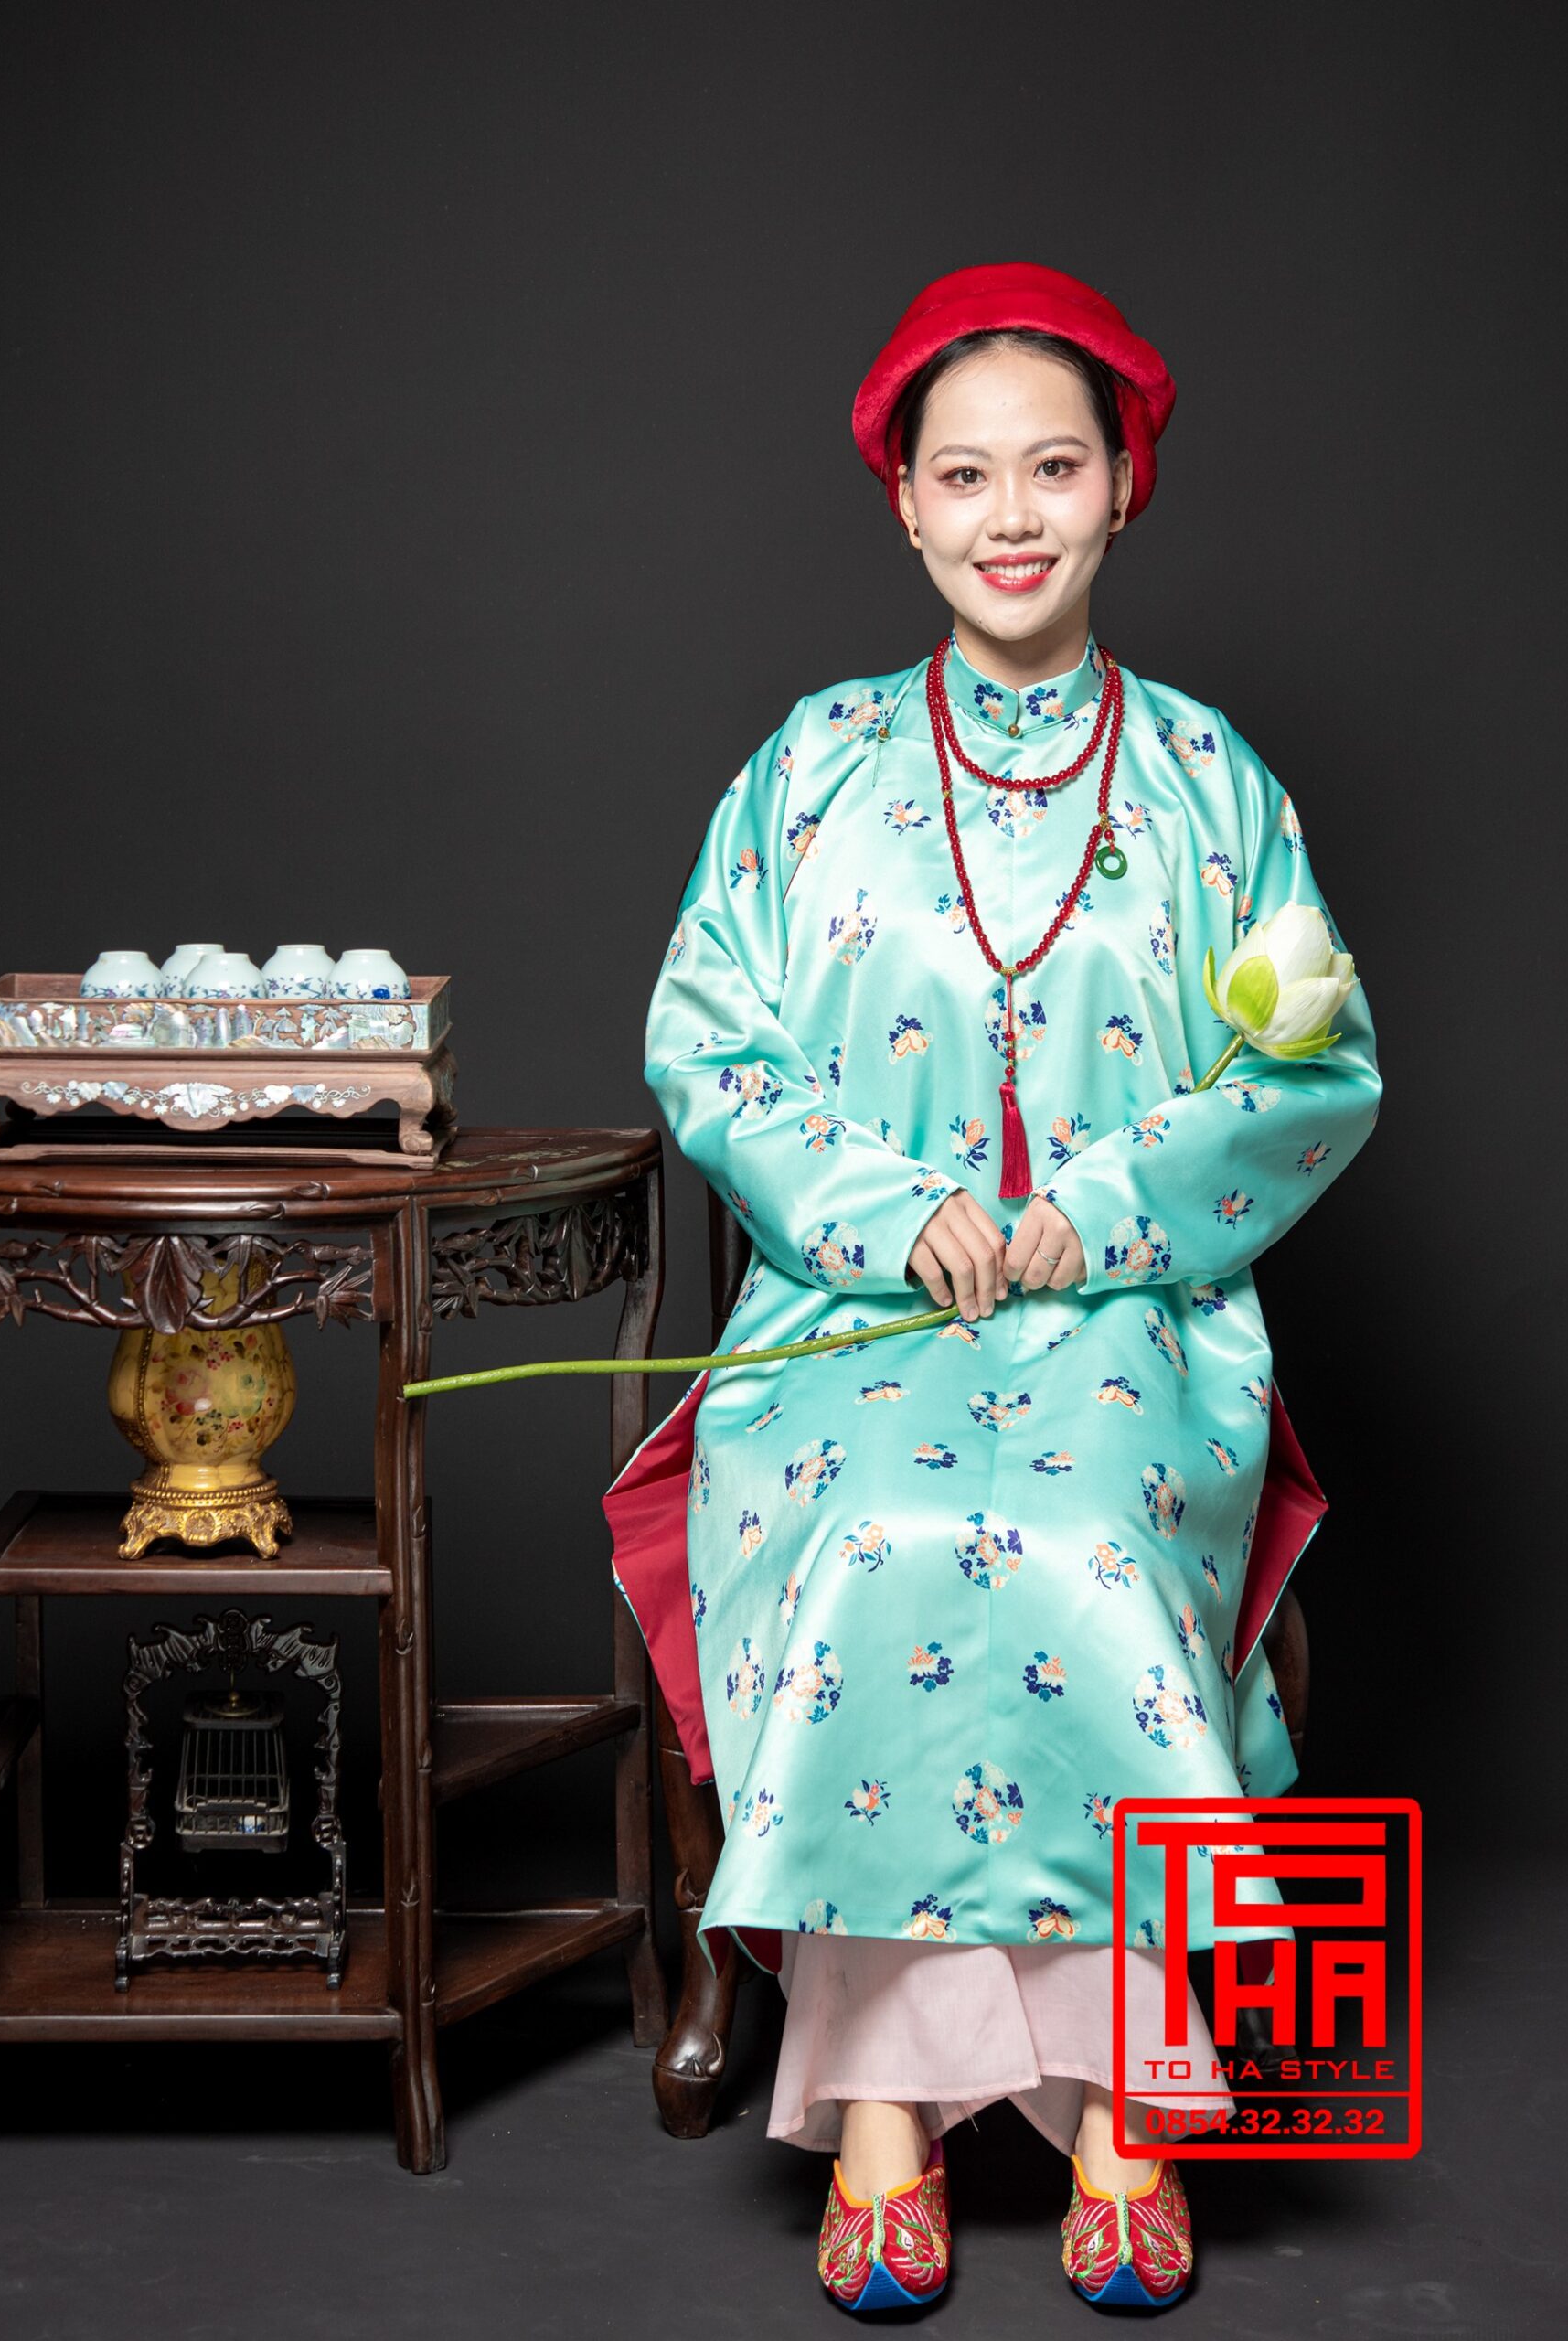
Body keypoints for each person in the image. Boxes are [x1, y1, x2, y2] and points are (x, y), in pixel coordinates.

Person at [611, 262, 1382, 2313]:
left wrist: (1114, 1203)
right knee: (878, 1529)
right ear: (903, 500)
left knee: (1080, 1539)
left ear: (1125, 484)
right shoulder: (811, 766)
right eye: (966, 475)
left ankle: (1130, 2103)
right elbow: (709, 1039)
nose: (1011, 515)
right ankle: (881, 2106)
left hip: (1135, 1325)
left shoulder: (1214, 780)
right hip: (853, 1323)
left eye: (1055, 467)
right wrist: (879, 1203)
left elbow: (1317, 1069)